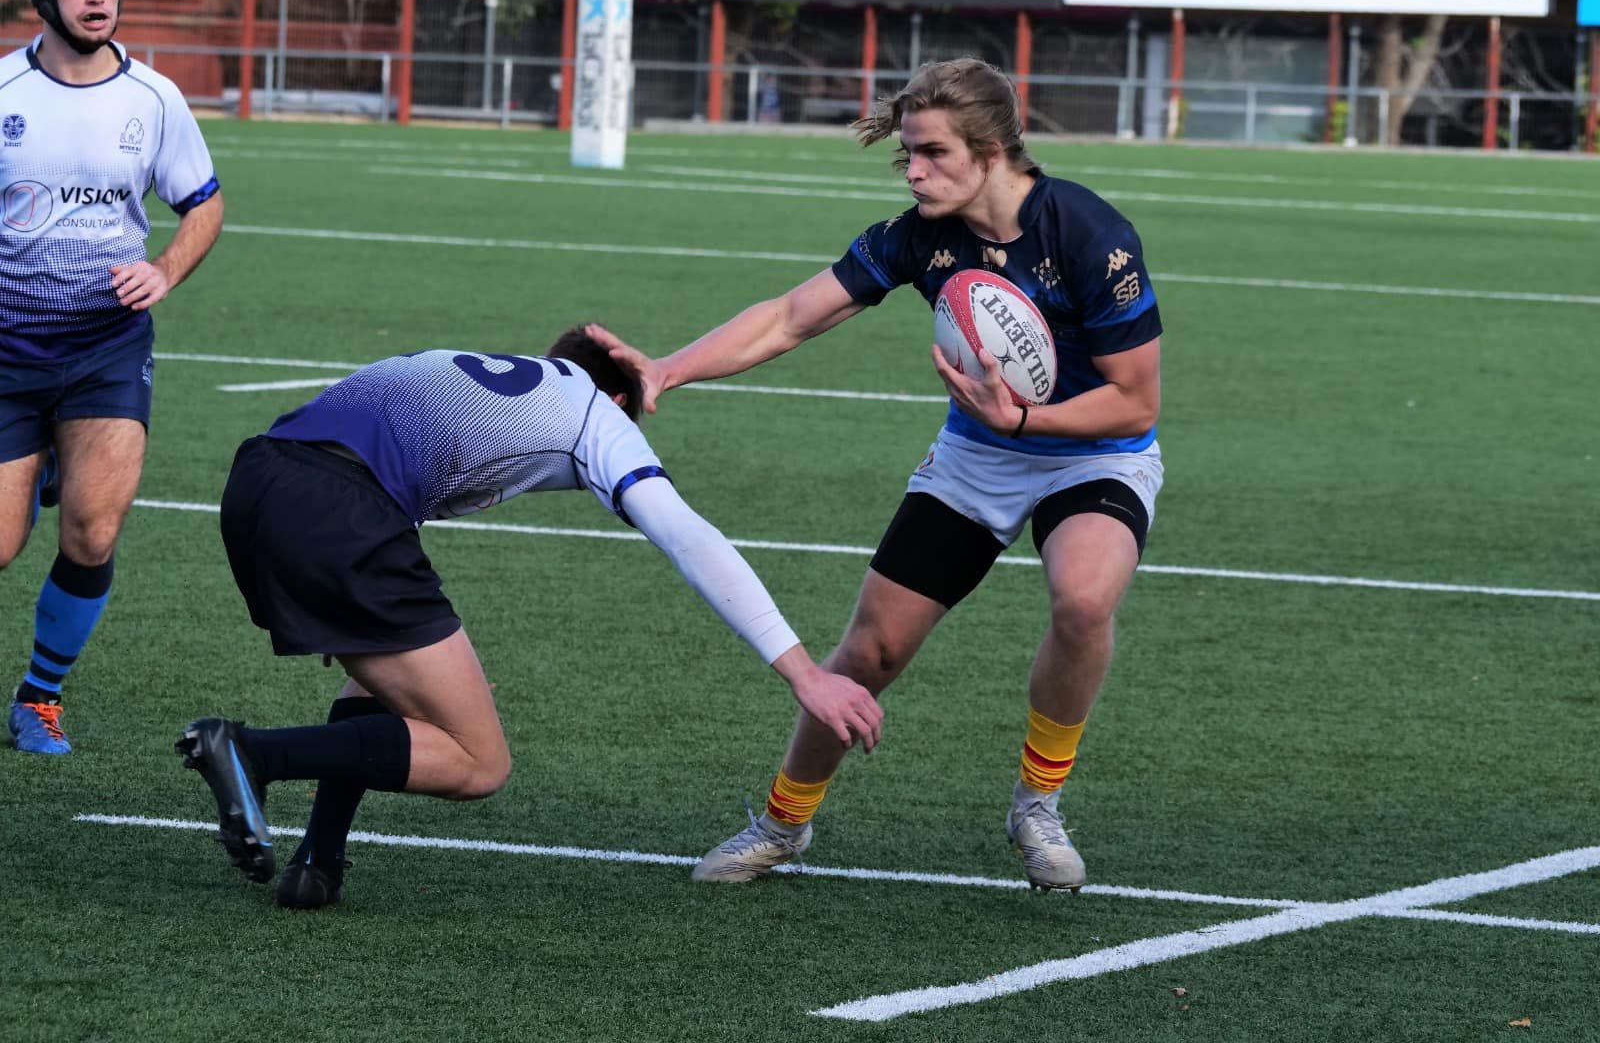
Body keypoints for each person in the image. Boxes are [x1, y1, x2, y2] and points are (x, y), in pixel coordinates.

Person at [591, 57, 1163, 891]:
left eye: (931, 153)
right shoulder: (916, 234)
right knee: (871, 648)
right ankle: (784, 822)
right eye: (907, 155)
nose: (915, 171)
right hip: (976, 457)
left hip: (1094, 454)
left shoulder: (1089, 233)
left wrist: (1027, 419)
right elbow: (789, 317)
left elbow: (1135, 404)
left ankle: (1037, 805)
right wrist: (666, 371)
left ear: (993, 148)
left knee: (1083, 598)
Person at [176, 328, 883, 910]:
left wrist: (323, 566)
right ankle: (255, 753)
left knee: (391, 685)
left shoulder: (469, 366)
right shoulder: (595, 414)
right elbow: (687, 534)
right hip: (342, 514)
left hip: (260, 482)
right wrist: (803, 674)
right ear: (615, 396)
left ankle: (317, 864)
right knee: (479, 762)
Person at [1, 0, 224, 755]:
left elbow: (203, 203)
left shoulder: (154, 97)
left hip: (105, 346)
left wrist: (165, 269)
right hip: (8, 349)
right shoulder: (6, 96)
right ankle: (44, 452)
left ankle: (39, 699)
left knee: (94, 530)